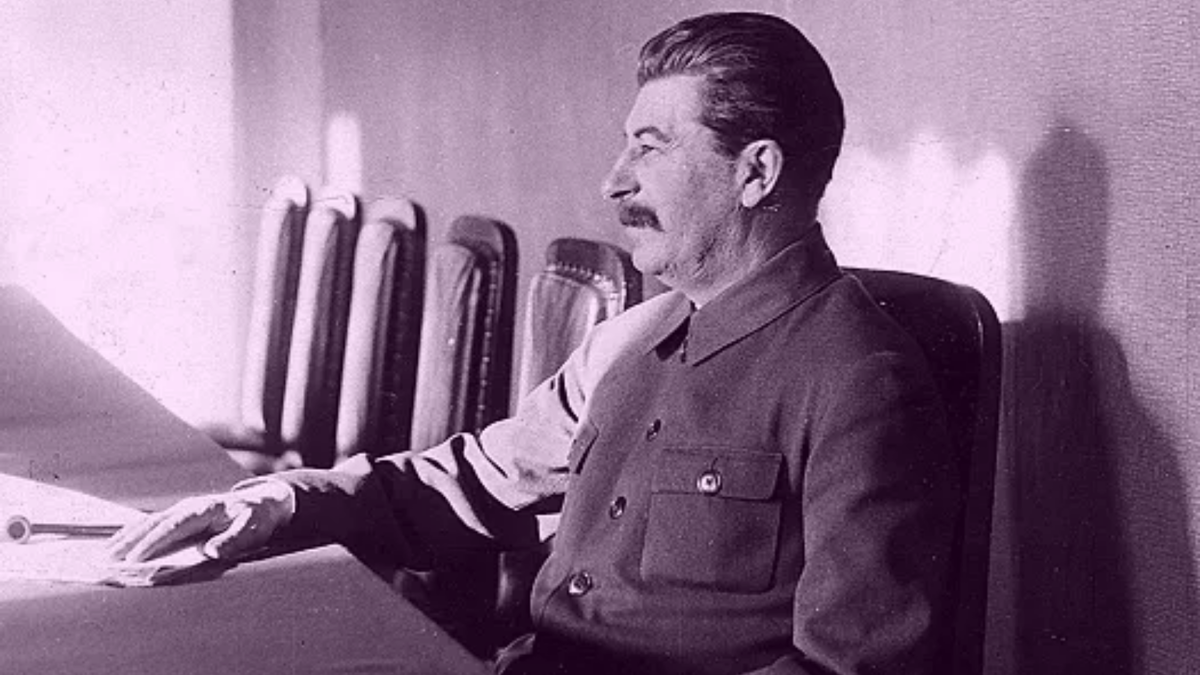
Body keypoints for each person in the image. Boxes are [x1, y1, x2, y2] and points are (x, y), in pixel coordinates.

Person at [109, 11, 957, 675]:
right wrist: (280, 503)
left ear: (757, 173)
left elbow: (849, 668)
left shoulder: (860, 378)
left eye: (650, 147)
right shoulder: (631, 340)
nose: (614, 180)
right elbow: (469, 480)